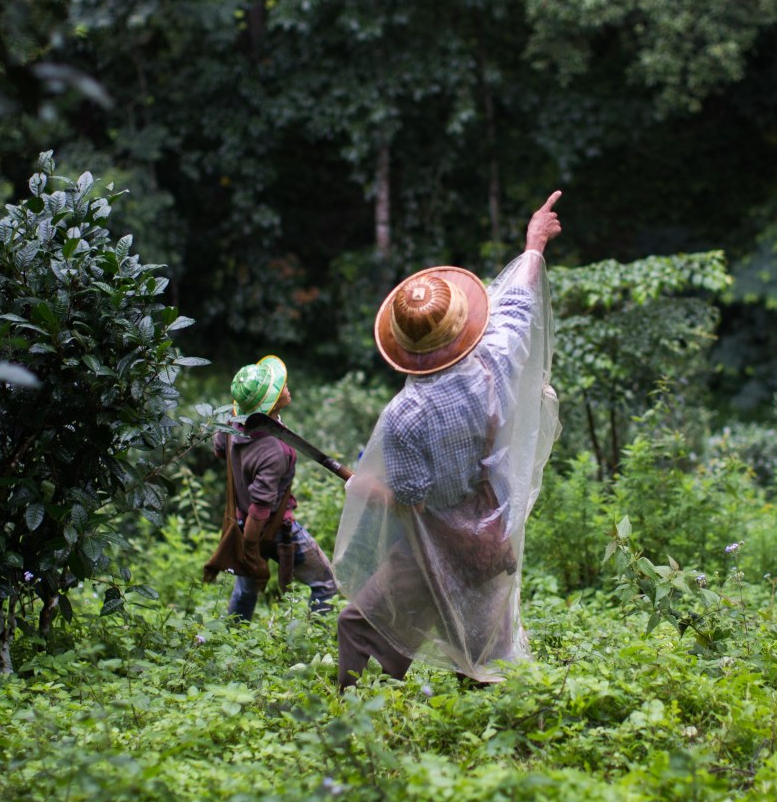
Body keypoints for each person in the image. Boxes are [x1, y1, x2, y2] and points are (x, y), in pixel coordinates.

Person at [333, 192, 562, 690]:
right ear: (461, 326)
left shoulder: (403, 416)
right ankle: (505, 737)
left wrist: (370, 489)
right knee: (486, 655)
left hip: (434, 544)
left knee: (361, 626)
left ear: (405, 346)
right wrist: (534, 243)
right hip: (487, 532)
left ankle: (352, 719)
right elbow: (519, 304)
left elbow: (414, 500)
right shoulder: (495, 361)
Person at [209, 354, 336, 619]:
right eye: (281, 388)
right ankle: (313, 648)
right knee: (326, 584)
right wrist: (250, 549)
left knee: (245, 592)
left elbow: (220, 449)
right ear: (271, 405)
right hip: (271, 530)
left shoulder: (233, 424)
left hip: (243, 524)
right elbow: (261, 508)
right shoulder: (275, 451)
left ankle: (233, 640)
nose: (286, 387)